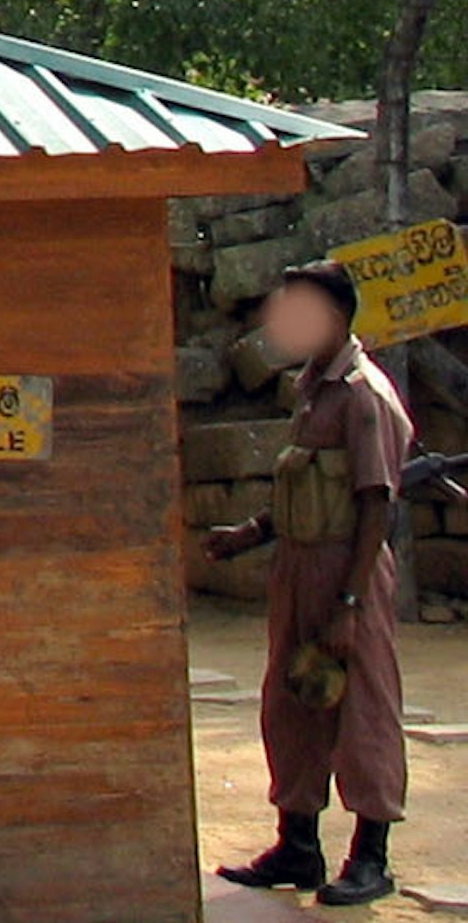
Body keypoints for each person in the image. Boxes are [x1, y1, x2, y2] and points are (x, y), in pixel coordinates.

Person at [210, 260, 411, 907]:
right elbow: (304, 486)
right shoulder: (312, 388)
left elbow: (375, 504)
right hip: (299, 564)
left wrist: (350, 603)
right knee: (293, 703)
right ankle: (297, 842)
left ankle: (371, 856)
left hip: (345, 567)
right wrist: (250, 532)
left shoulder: (361, 395)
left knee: (363, 708)